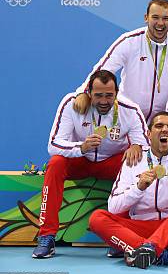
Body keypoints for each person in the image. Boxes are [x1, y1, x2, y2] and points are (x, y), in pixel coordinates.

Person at [33, 70, 148, 259]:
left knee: (135, 164)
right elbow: (53, 145)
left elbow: (145, 149)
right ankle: (47, 235)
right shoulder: (72, 104)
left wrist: (137, 146)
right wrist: (81, 147)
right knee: (55, 163)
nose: (104, 101)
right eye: (98, 95)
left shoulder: (130, 110)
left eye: (109, 95)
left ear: (117, 93)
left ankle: (120, 237)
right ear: (88, 92)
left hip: (111, 163)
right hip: (80, 160)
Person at [89, 112, 168, 269]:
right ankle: (160, 254)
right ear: (149, 134)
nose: (165, 130)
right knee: (97, 218)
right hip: (141, 227)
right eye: (159, 126)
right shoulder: (135, 158)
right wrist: (138, 188)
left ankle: (145, 249)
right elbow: (114, 207)